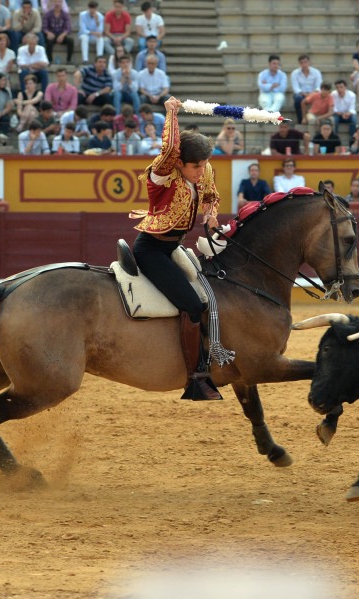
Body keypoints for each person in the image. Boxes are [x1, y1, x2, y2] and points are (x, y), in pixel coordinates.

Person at [129, 96, 221, 401]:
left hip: (173, 248)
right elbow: (169, 147)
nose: (201, 171)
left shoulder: (202, 172)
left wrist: (211, 212)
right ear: (179, 163)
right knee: (193, 305)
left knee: (212, 295)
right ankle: (194, 377)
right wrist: (171, 113)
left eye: (204, 165)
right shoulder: (162, 176)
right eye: (195, 166)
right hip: (151, 251)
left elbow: (210, 195)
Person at [290, 54, 321, 126]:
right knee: (297, 98)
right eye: (301, 62)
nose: (304, 64)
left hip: (314, 94)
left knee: (320, 96)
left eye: (305, 62)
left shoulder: (316, 72)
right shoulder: (295, 73)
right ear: (299, 64)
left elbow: (318, 87)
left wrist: (311, 94)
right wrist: (303, 94)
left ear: (309, 62)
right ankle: (301, 120)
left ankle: (316, 121)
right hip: (301, 95)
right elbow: (296, 88)